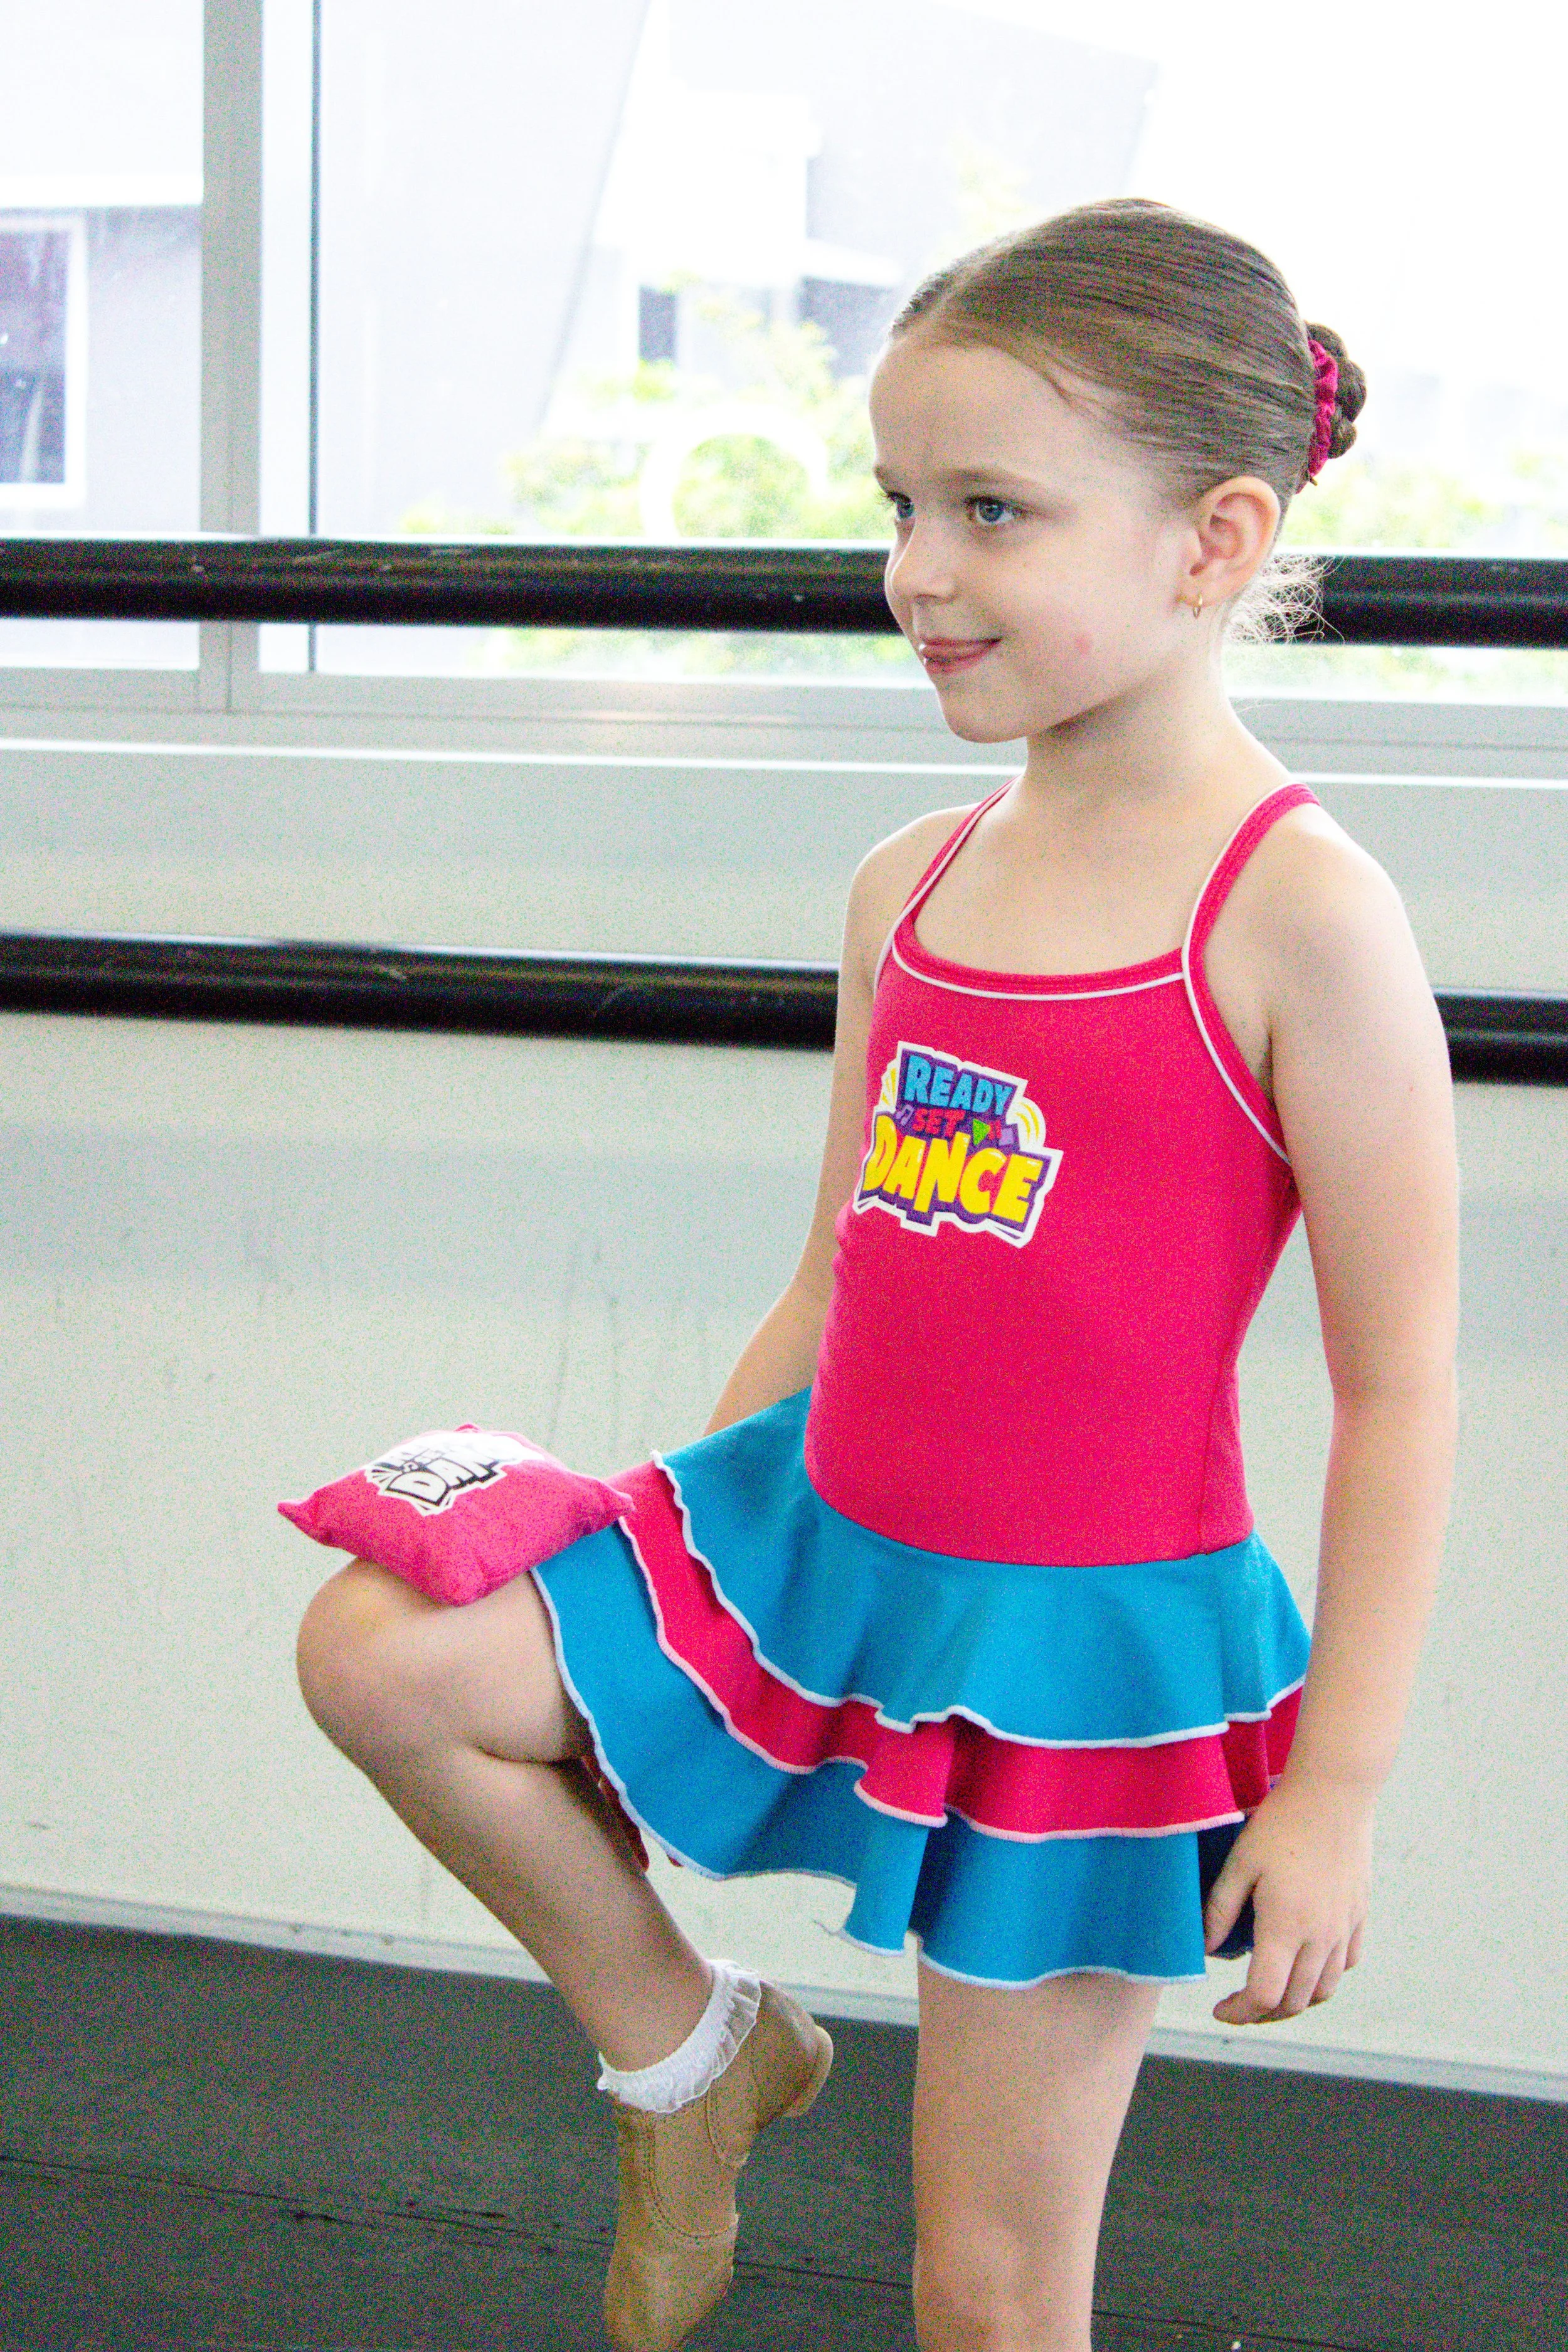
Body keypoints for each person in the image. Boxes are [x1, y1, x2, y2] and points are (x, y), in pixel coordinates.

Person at [291, 198, 1459, 2352]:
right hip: (818, 1533)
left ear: (1212, 540)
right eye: (901, 503)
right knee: (387, 1647)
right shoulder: (905, 885)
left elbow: (1397, 1385)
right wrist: (664, 1554)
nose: (915, 569)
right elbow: (842, 1270)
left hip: (1079, 1654)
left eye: (990, 510)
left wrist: (1337, 1789)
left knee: (987, 2295)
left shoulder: (1301, 914)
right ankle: (691, 2049)